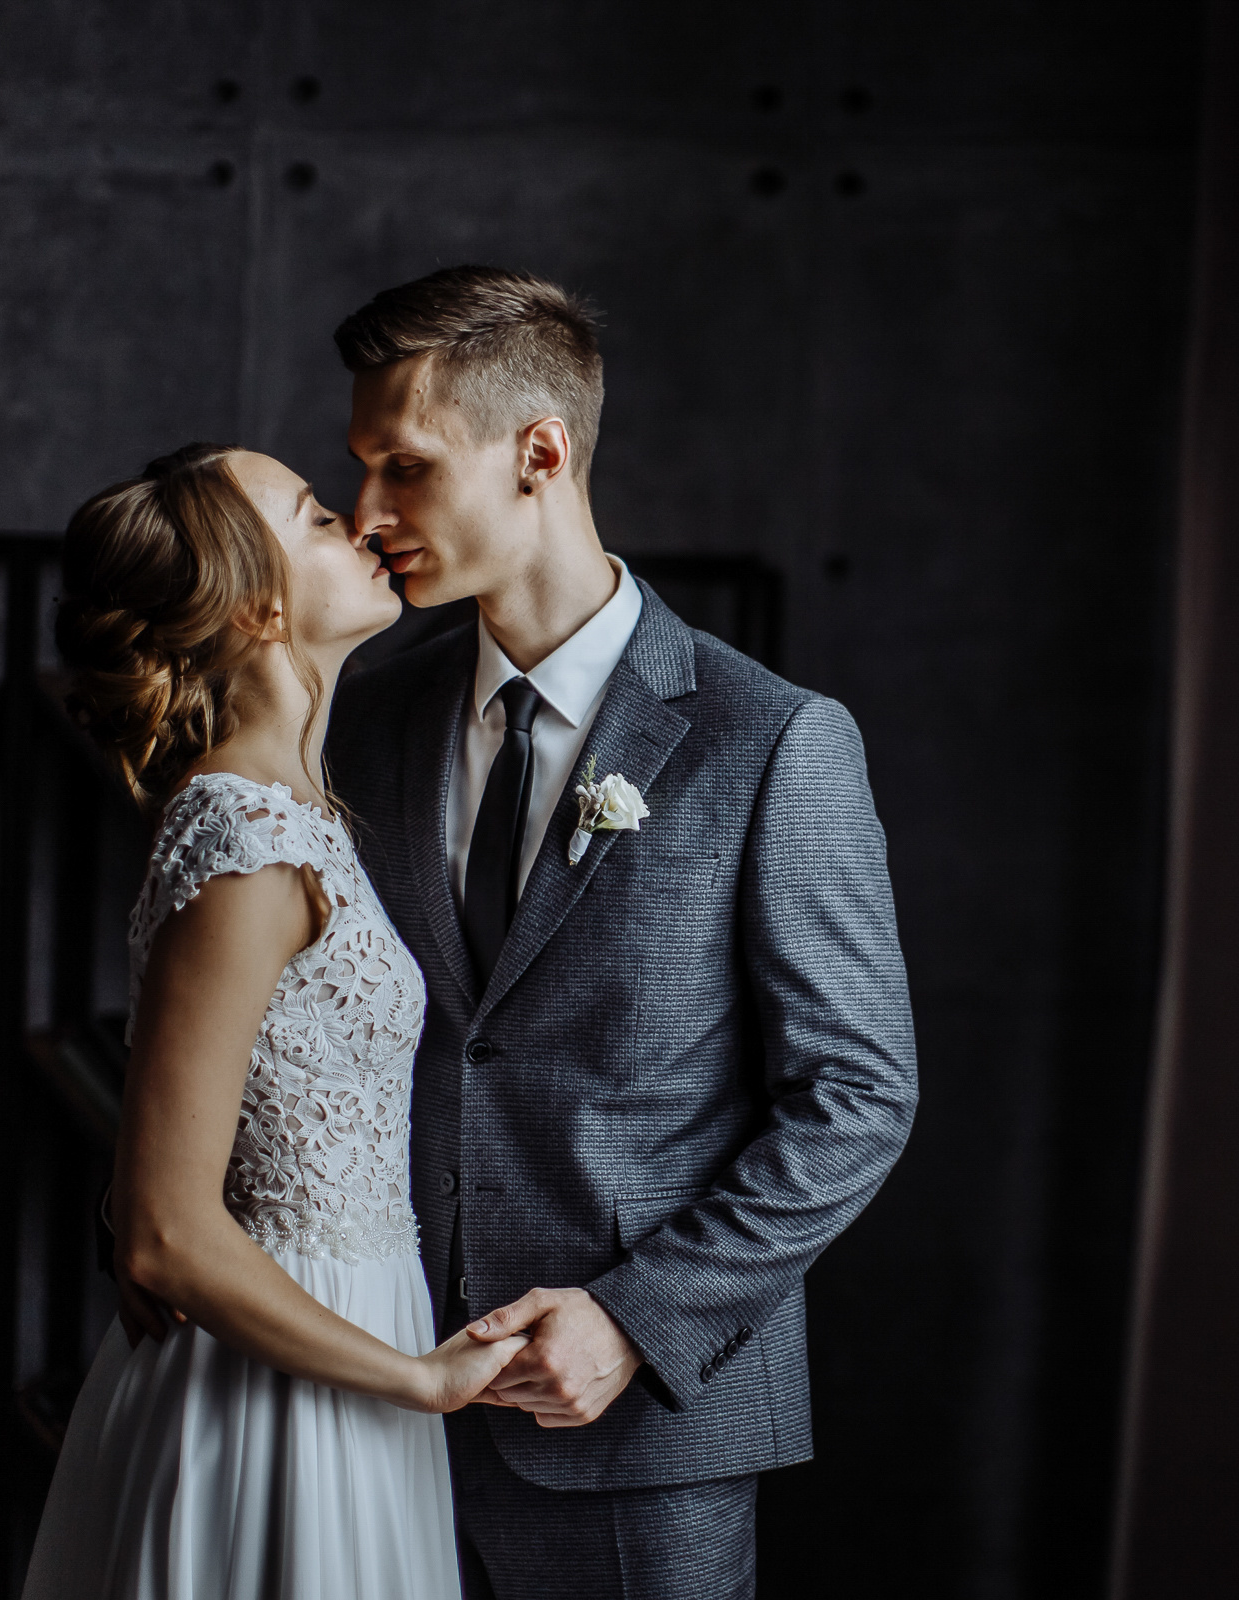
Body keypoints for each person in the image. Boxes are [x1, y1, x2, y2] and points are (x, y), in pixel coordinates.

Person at [315, 265, 920, 1597]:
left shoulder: (770, 740)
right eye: (359, 471)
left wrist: (636, 1324)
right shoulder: (365, 713)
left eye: (405, 469)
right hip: (372, 1401)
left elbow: (859, 1095)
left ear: (541, 452)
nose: (368, 516)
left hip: (634, 1425)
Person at [21, 442, 524, 1600]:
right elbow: (162, 1235)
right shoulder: (248, 839)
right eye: (313, 514)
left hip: (339, 1341)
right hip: (282, 1388)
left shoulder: (296, 812)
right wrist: (421, 1383)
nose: (358, 522)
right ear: (257, 604)